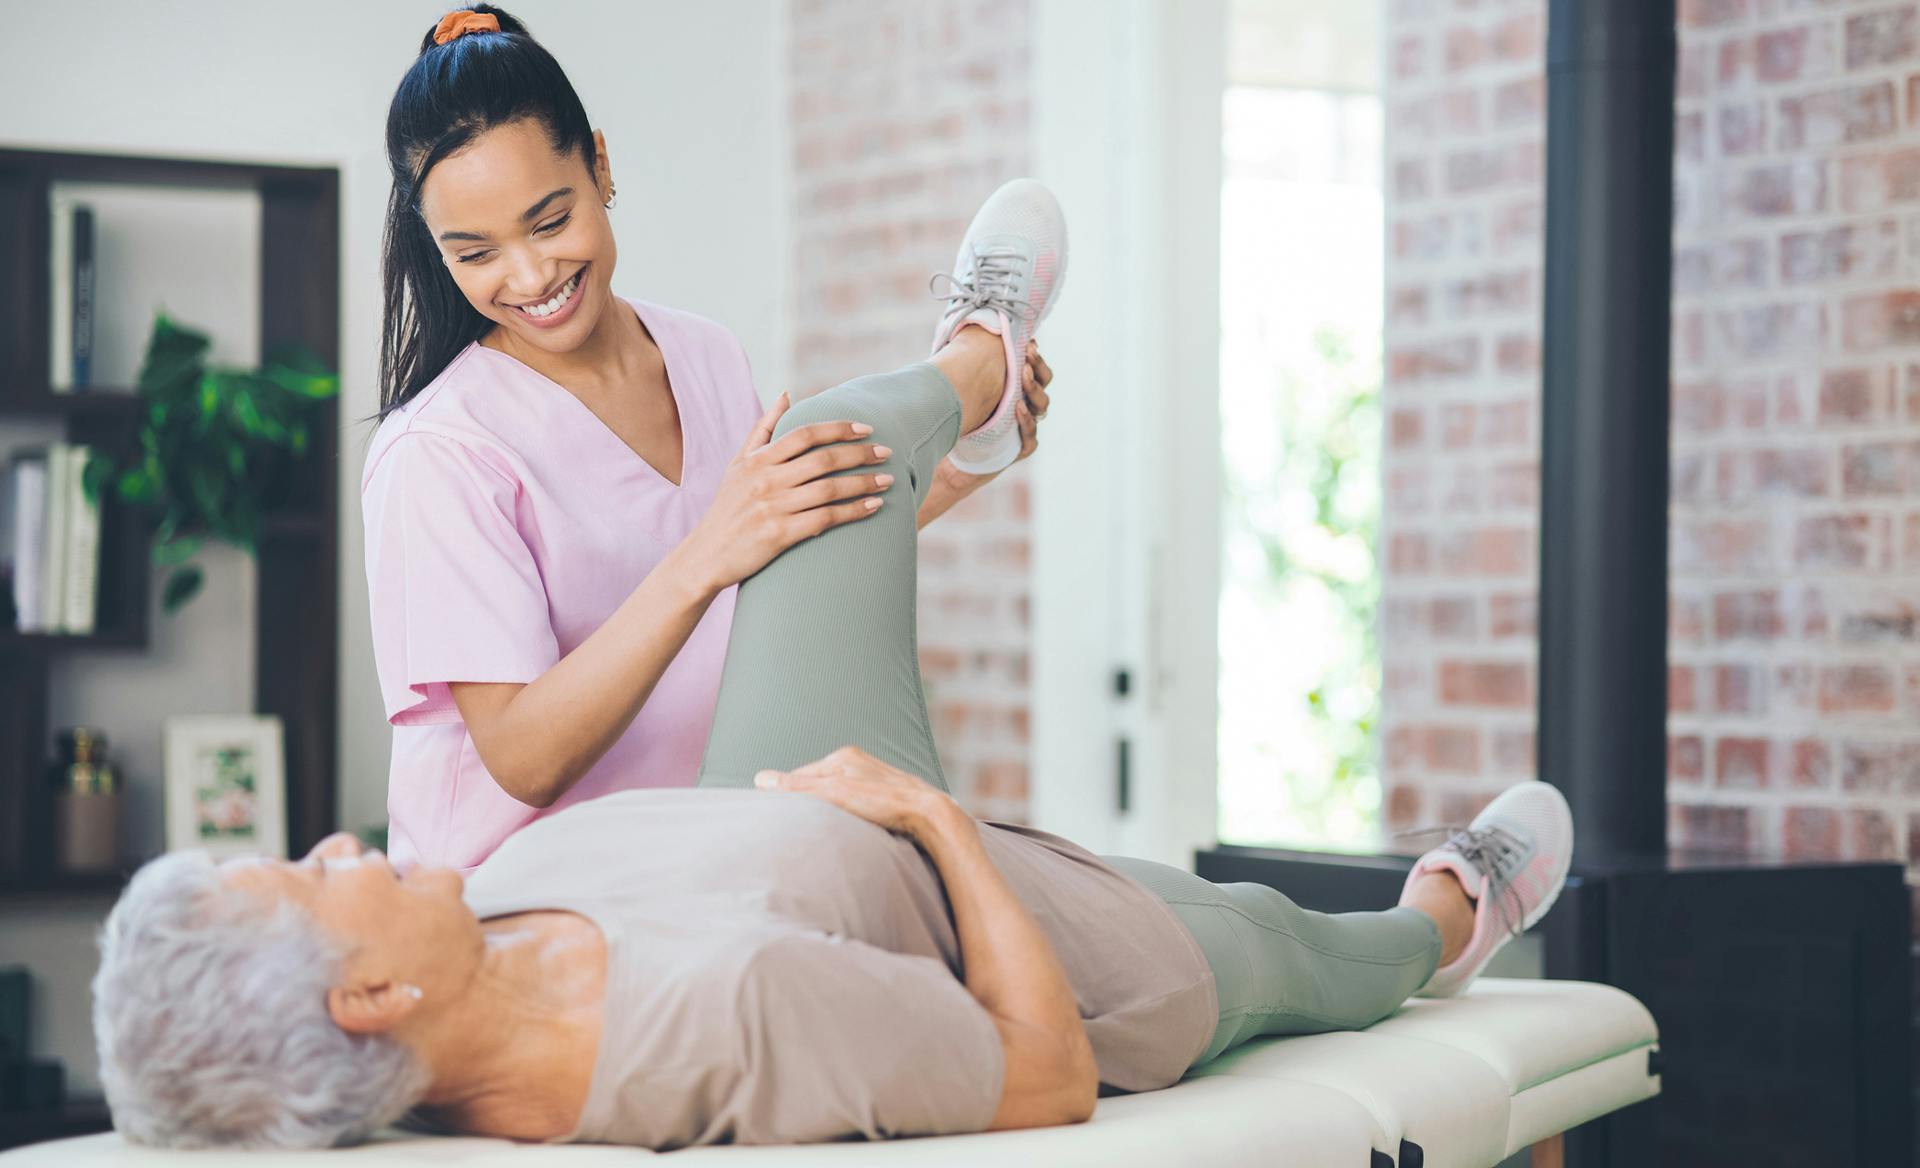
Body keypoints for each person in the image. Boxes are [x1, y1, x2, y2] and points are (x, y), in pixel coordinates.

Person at [91, 168, 1574, 1150]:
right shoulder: (714, 1019)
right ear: (367, 1003)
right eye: (311, 872)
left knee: (807, 458)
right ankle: (1447, 920)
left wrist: (917, 502)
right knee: (1275, 940)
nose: (344, 838)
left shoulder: (466, 929)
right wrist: (932, 820)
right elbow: (1044, 1077)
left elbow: (744, 585)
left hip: (762, 792)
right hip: (899, 855)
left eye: (550, 214)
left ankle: (978, 371)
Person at [360, 4, 1058, 874]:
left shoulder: (701, 354)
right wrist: (710, 550)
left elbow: (771, 560)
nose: (530, 277)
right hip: (525, 903)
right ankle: (972, 361)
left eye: (549, 221)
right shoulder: (441, 451)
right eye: (475, 254)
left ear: (600, 166)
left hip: (705, 850)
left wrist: (959, 470)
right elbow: (525, 759)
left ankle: (972, 394)